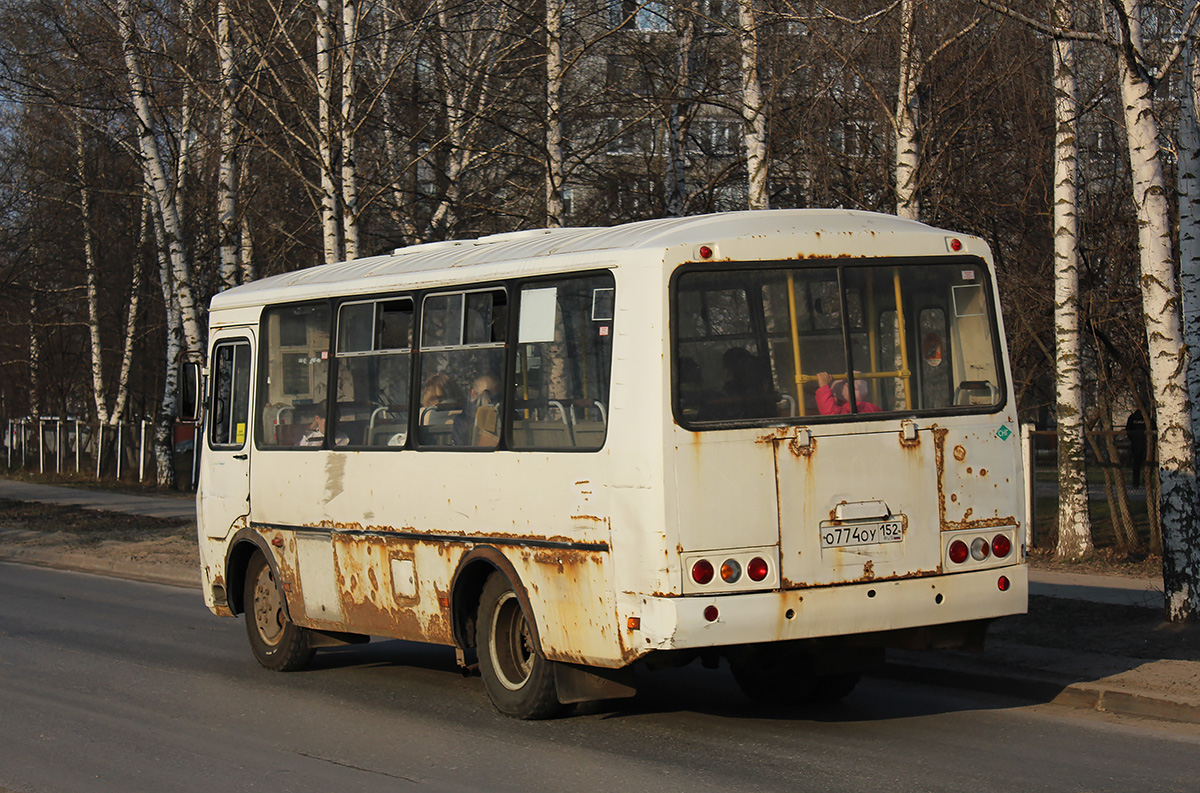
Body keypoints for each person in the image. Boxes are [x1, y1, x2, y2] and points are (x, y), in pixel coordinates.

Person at [816, 371, 880, 415]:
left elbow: (829, 412)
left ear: (840, 398)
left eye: (833, 396)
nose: (833, 400)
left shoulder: (848, 410)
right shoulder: (873, 408)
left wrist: (823, 386)